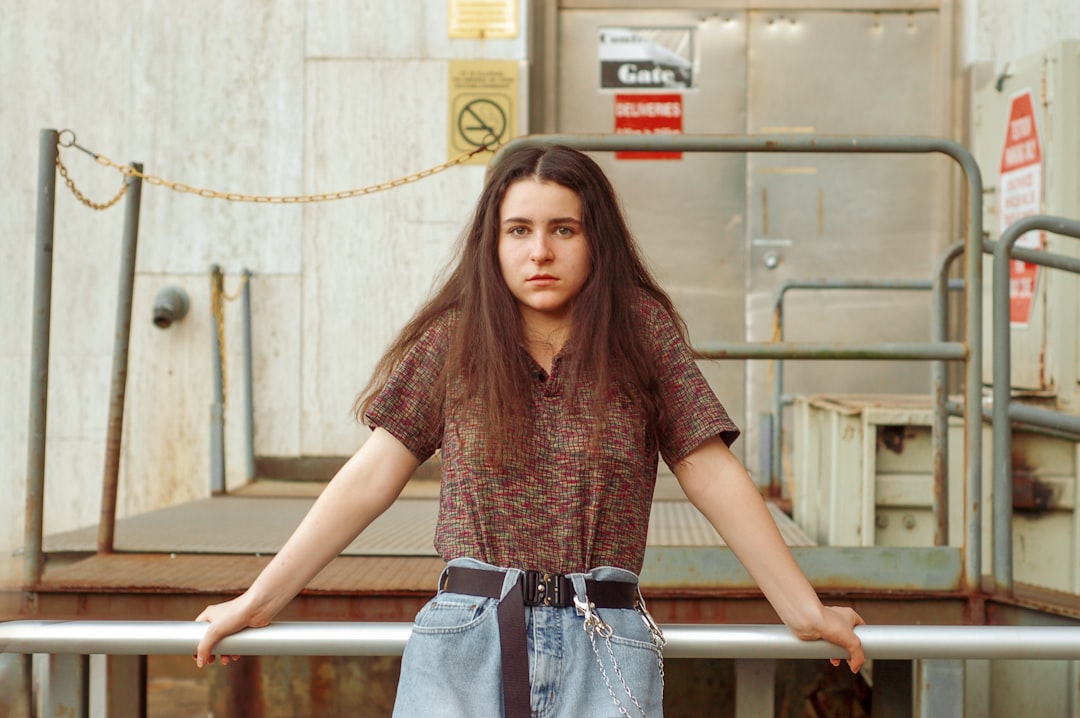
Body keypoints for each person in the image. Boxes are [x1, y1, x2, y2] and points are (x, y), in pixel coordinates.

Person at [194, 143, 865, 717]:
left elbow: (711, 472)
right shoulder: (454, 340)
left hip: (605, 641)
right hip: (467, 637)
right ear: (493, 240)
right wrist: (259, 601)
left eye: (563, 230)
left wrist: (803, 609)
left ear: (595, 237)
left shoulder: (642, 334)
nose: (540, 251)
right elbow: (370, 477)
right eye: (518, 230)